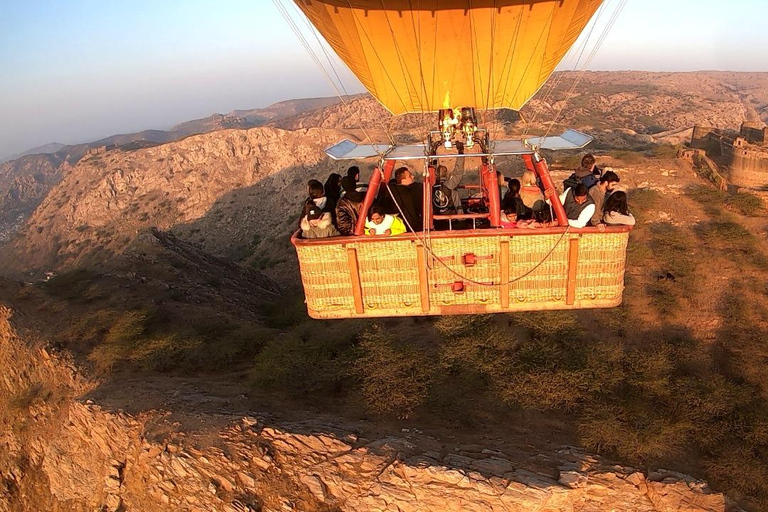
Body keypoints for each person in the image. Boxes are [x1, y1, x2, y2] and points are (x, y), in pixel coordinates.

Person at [385, 166, 423, 232]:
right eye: (410, 176)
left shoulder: (392, 190)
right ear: (403, 180)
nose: (413, 177)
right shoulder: (396, 192)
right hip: (404, 226)